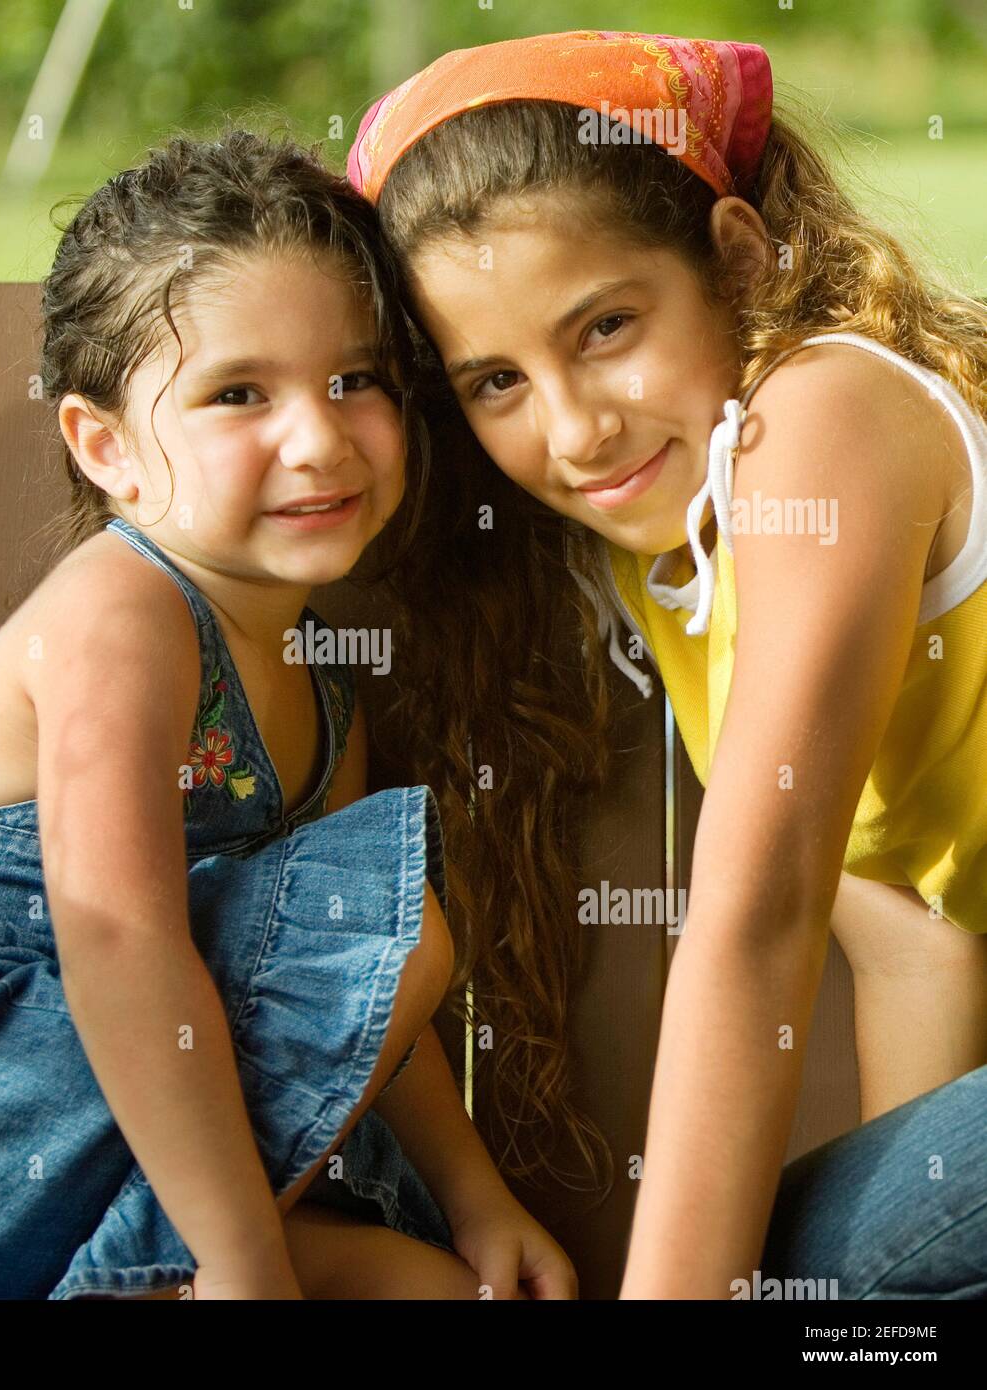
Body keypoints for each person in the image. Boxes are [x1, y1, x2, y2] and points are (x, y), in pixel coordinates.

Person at [0, 128, 578, 1301]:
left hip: (143, 1175)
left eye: (355, 380)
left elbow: (361, 999)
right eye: (238, 393)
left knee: (436, 1289)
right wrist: (243, 1260)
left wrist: (477, 1200)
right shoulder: (122, 618)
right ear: (106, 445)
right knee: (392, 912)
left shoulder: (317, 686)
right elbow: (119, 943)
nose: (317, 437)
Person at [346, 30, 987, 1298]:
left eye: (606, 326)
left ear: (736, 260)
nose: (574, 427)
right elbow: (918, 936)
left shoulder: (819, 422)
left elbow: (758, 916)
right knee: (818, 1278)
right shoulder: (667, 550)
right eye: (494, 382)